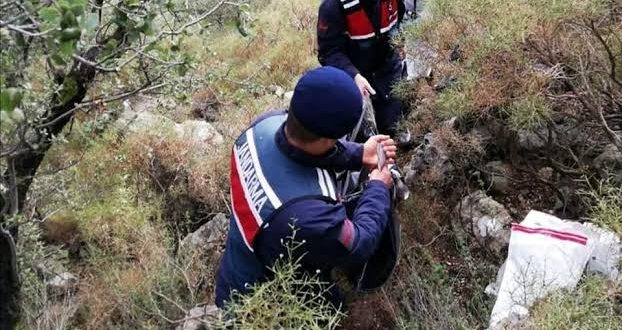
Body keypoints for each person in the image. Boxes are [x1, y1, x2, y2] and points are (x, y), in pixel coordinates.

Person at [215, 67, 397, 308]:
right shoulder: (307, 215)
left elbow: (302, 151)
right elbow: (360, 244)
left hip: (240, 267)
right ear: (326, 139)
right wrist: (377, 188)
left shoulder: (263, 126)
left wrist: (360, 153)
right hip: (260, 303)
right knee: (331, 310)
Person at [317, 0, 413, 145]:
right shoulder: (332, 6)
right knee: (361, 138)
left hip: (387, 67)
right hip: (354, 75)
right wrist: (354, 76)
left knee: (392, 126)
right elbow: (329, 52)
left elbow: (399, 18)